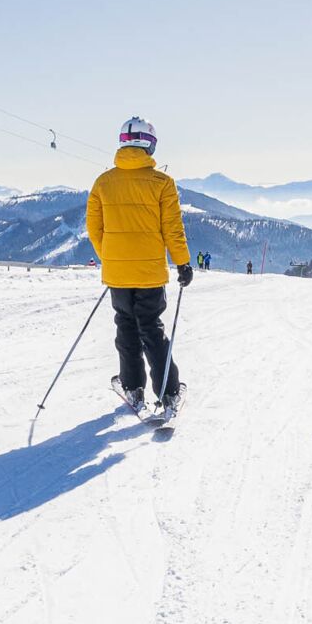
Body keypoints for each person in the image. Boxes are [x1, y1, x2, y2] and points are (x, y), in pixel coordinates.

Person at [86, 115, 191, 413]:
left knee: (126, 327)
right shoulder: (163, 183)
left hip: (117, 273)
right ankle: (169, 393)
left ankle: (133, 388)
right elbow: (173, 228)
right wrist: (183, 263)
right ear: (151, 146)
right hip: (149, 274)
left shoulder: (103, 182)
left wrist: (111, 258)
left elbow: (94, 227)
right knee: (152, 330)